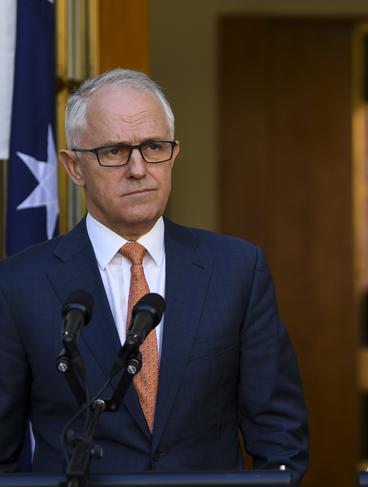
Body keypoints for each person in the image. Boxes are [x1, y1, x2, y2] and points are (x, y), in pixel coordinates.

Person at [0, 69, 309, 479]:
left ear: (174, 153)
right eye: (114, 151)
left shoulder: (236, 270)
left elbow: (280, 435)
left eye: (153, 147)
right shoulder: (20, 284)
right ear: (74, 167)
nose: (138, 168)